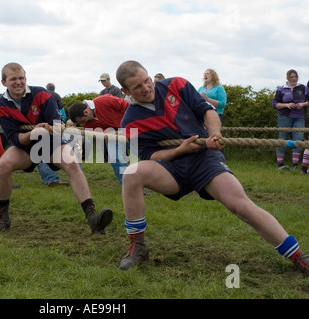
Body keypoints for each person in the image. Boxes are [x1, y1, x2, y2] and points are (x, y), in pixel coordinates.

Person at [114, 60, 309, 276]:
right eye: (137, 87)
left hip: (205, 158)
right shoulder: (130, 121)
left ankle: (298, 256)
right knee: (132, 172)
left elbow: (208, 112)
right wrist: (179, 150)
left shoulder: (176, 85)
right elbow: (150, 155)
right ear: (125, 91)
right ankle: (138, 246)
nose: (146, 88)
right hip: (171, 167)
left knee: (240, 205)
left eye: (147, 80)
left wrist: (215, 133)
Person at [0, 62, 113, 234]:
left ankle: (93, 218)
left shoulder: (41, 94)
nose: (18, 82)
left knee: (73, 164)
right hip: (25, 147)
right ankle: (2, 218)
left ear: (26, 78)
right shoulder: (0, 104)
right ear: (4, 83)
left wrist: (46, 130)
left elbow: (57, 125)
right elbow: (15, 138)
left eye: (21, 78)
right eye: (13, 79)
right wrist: (33, 133)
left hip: (51, 142)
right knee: (3, 165)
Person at [68, 94, 130, 184]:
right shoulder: (87, 124)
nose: (83, 124)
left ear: (85, 112)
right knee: (115, 158)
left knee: (145, 153)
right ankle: (130, 185)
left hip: (132, 128)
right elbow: (103, 135)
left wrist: (128, 128)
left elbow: (128, 108)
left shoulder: (105, 100)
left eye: (82, 121)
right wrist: (112, 134)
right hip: (113, 137)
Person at [272, 70, 308, 170]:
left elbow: (308, 101)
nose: (294, 79)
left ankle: (295, 164)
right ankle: (280, 164)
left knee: (299, 139)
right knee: (282, 138)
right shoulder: (281, 89)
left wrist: (303, 104)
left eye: (295, 77)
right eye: (292, 77)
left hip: (299, 116)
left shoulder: (303, 88)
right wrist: (286, 105)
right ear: (288, 78)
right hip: (284, 116)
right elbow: (274, 104)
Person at [38, 83, 69, 187]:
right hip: (56, 125)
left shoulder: (41, 94)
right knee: (67, 149)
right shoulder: (57, 95)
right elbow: (61, 110)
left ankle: (51, 178)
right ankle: (77, 175)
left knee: (38, 153)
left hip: (41, 125)